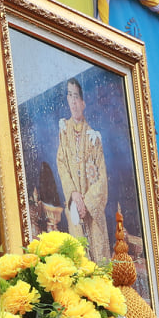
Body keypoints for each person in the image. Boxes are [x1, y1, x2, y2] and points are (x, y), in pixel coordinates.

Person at [55, 77, 109, 255]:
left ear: (83, 102)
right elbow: (61, 163)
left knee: (98, 256)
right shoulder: (64, 131)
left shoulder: (94, 138)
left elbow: (102, 179)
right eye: (70, 96)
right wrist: (74, 194)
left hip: (92, 212)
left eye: (76, 96)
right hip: (74, 207)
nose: (73, 101)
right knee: (79, 255)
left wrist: (86, 203)